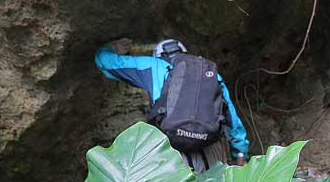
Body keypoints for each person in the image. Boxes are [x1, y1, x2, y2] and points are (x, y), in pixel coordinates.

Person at [95, 38, 250, 171]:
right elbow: (233, 123)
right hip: (209, 148)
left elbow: (105, 61)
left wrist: (115, 47)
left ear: (159, 55)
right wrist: (240, 156)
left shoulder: (154, 65)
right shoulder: (209, 73)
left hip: (173, 150)